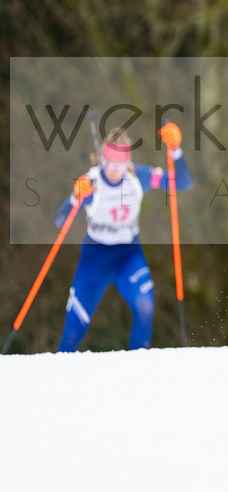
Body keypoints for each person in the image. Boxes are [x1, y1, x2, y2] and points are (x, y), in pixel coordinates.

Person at [55, 123, 193, 351]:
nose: (113, 171)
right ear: (101, 160)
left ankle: (137, 364)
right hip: (95, 256)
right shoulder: (91, 183)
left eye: (119, 165)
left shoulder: (139, 176)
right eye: (108, 163)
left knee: (145, 306)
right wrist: (74, 198)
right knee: (74, 327)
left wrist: (176, 150)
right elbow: (61, 220)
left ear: (128, 163)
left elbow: (184, 182)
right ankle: (55, 371)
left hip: (128, 254)